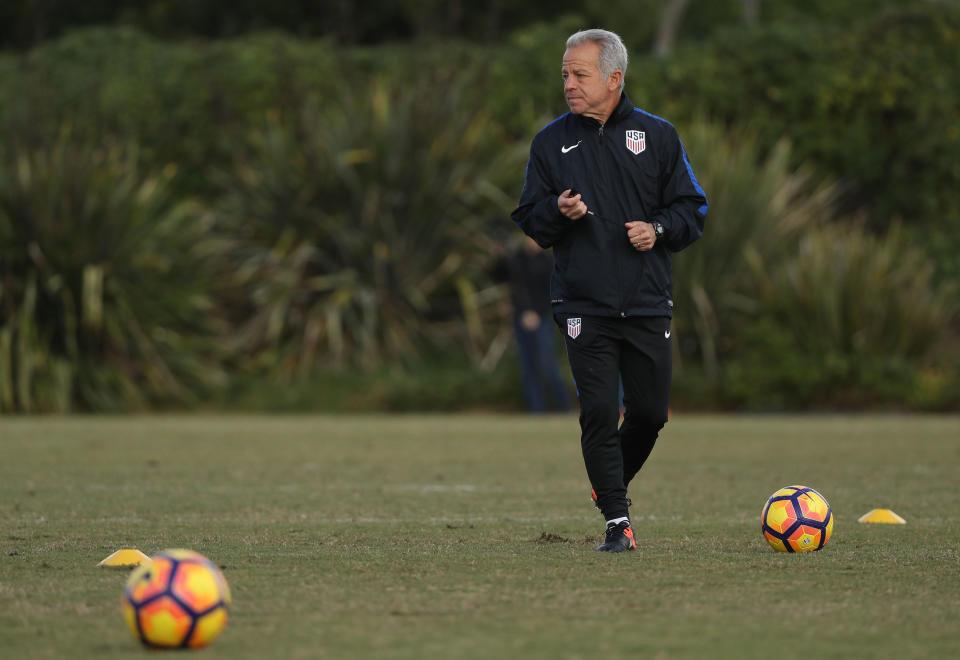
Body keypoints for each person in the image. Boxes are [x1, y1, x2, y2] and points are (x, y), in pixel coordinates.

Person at [510, 29, 707, 552]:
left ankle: (606, 484)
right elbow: (530, 218)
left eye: (580, 75)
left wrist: (658, 229)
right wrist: (557, 211)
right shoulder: (550, 142)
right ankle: (617, 523)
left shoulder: (658, 136)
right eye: (565, 75)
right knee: (598, 410)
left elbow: (692, 209)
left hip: (646, 300)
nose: (569, 84)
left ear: (614, 78)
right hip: (582, 303)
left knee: (649, 414)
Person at [495, 235, 571, 413]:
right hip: (521, 318)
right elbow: (500, 277)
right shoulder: (516, 259)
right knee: (528, 366)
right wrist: (498, 256)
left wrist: (536, 313)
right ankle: (536, 409)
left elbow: (553, 292)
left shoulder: (548, 262)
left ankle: (564, 407)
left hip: (542, 318)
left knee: (548, 364)